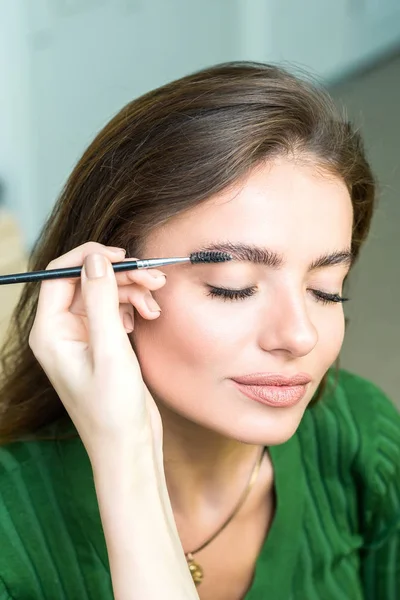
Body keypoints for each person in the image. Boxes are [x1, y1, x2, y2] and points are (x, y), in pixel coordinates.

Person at [0, 61, 399, 600]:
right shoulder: (11, 528)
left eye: (326, 289)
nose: (299, 335)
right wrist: (127, 462)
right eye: (232, 286)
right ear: (112, 286)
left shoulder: (359, 439)